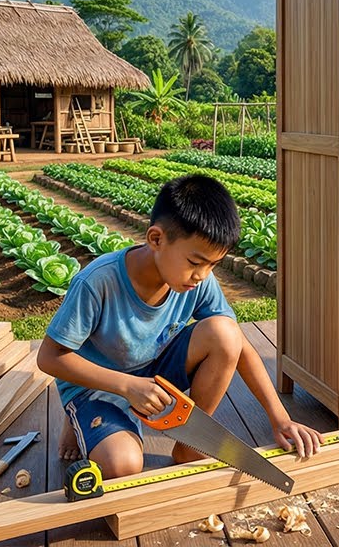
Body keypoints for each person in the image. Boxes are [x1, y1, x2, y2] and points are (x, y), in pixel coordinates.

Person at [37, 173, 321, 478]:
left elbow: (238, 346)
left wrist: (280, 418)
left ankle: (188, 443)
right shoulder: (97, 282)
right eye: (196, 262)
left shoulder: (197, 280)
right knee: (123, 465)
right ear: (156, 239)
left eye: (213, 264)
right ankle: (77, 415)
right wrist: (127, 386)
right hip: (98, 387)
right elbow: (49, 358)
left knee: (225, 332)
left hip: (153, 371)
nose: (203, 274)